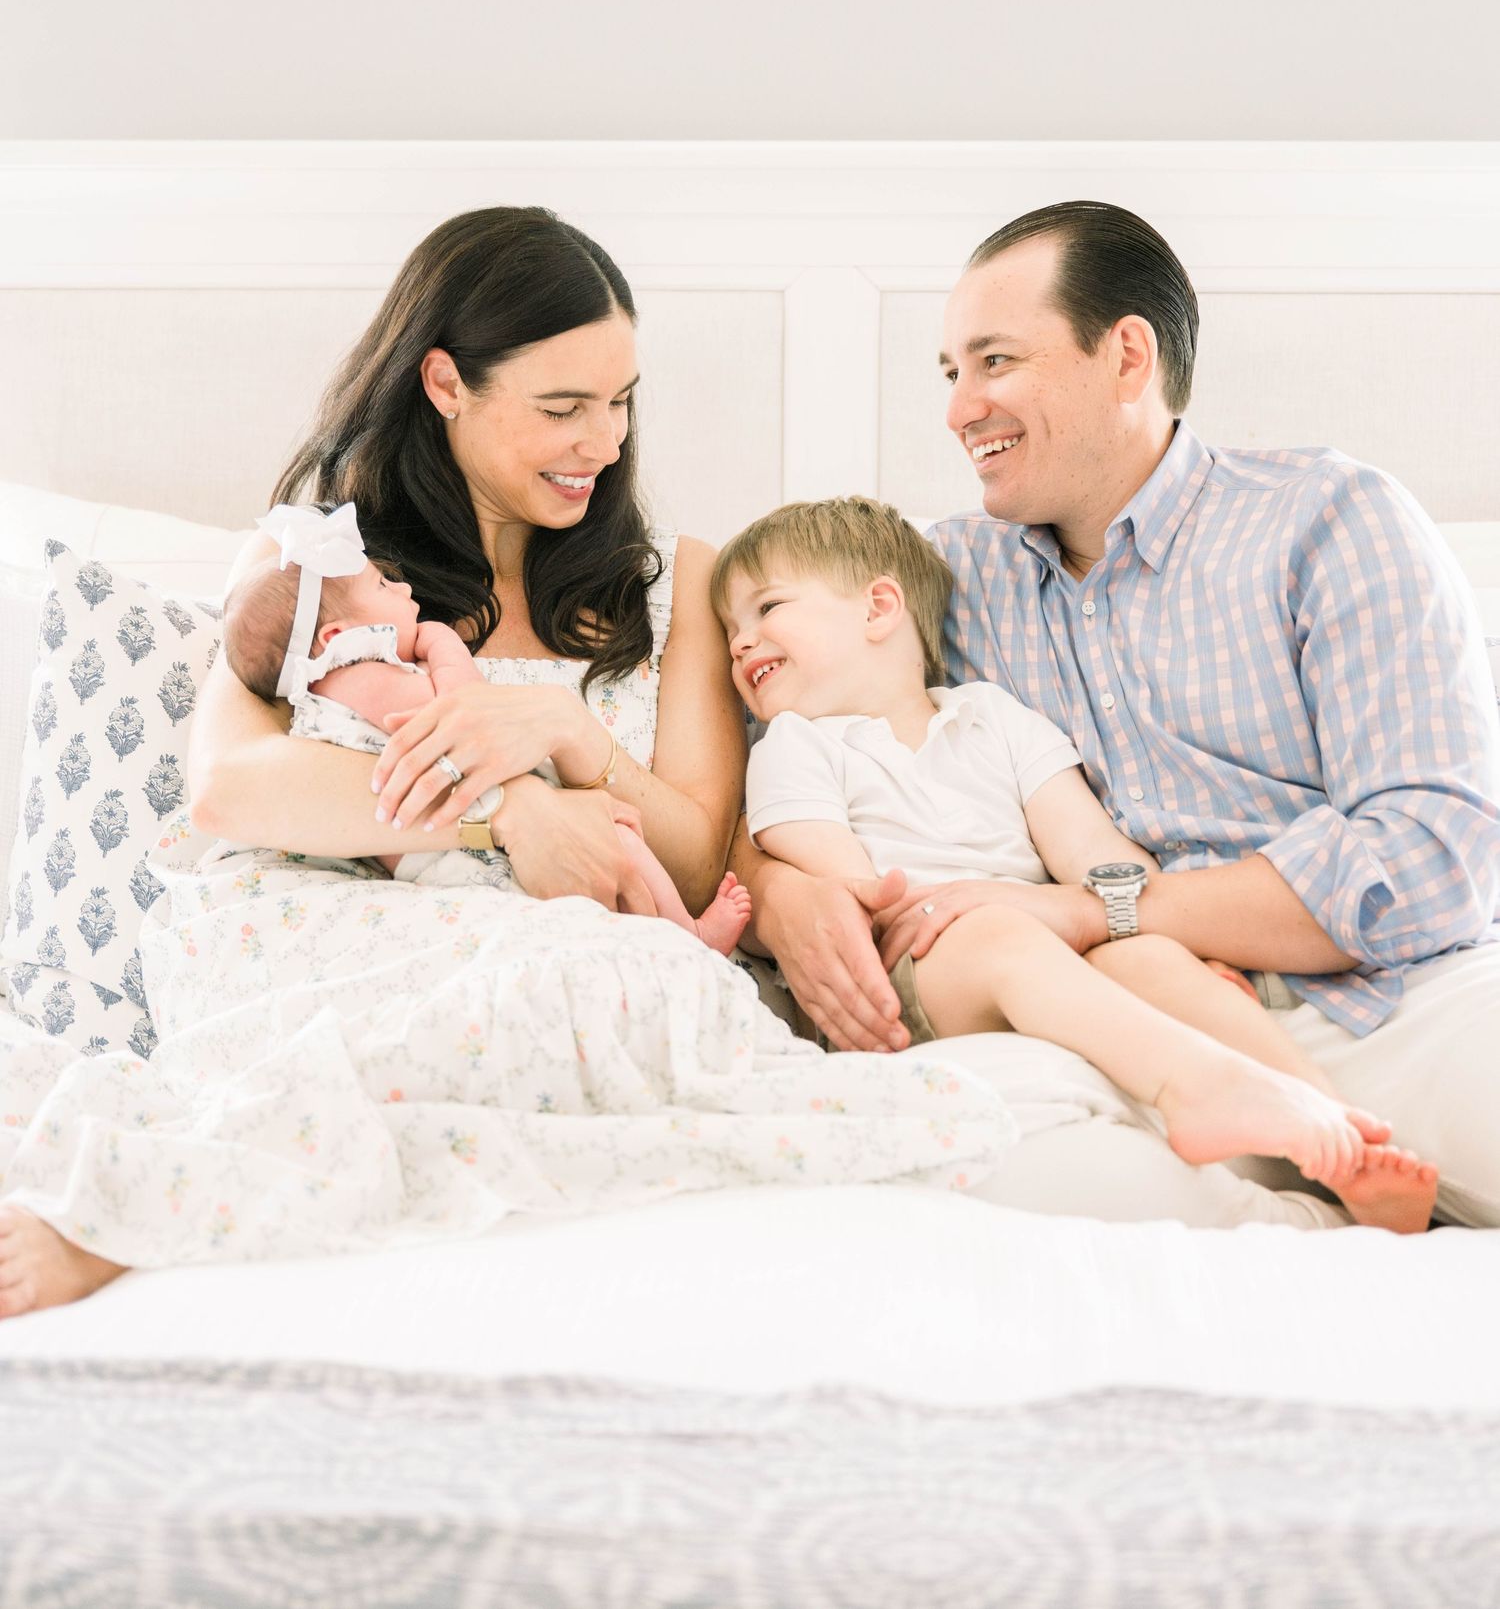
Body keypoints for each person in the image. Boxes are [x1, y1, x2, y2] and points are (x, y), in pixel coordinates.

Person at [8, 207, 998, 1317]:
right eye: (563, 408)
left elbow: (692, 849)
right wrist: (509, 815)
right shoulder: (317, 564)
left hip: (552, 944)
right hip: (312, 927)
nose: (605, 444)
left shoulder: (680, 584)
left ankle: (177, 1197)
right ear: (445, 384)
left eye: (621, 402)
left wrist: (570, 739)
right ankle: (127, 1206)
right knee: (551, 995)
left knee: (636, 990)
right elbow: (230, 788)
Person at [734, 202, 1500, 1228]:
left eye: (995, 361)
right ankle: (1329, 1205)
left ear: (1126, 356)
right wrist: (779, 890)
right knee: (985, 1183)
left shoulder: (1327, 518)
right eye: (951, 373)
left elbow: (1434, 864)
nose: (959, 409)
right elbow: (766, 752)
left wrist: (1104, 911)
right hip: (1110, 1027)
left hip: (1388, 1000)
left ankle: (1343, 1158)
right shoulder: (939, 581)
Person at [712, 494, 1438, 1232]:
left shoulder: (994, 716)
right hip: (904, 971)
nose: (740, 644)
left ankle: (1342, 1132)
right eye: (731, 628)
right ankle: (1193, 1087)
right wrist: (985, 913)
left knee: (1149, 954)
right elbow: (857, 902)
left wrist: (1174, 944)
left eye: (766, 608)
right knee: (998, 934)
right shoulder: (794, 745)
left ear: (879, 608)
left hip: (1028, 945)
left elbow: (1098, 857)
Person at [221, 501, 751, 952]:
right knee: (616, 846)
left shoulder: (323, 693)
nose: (402, 589)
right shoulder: (362, 678)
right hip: (461, 858)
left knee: (608, 857)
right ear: (336, 638)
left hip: (446, 860)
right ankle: (687, 934)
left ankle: (677, 935)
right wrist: (441, 643)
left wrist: (568, 730)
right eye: (382, 584)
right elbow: (468, 711)